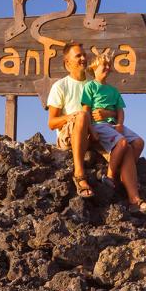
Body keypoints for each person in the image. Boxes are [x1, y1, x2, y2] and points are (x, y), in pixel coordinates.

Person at [81, 51, 146, 214]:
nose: (107, 68)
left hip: (114, 125)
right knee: (122, 143)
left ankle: (124, 174)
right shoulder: (90, 87)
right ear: (94, 67)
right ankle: (110, 176)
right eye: (104, 65)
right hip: (99, 125)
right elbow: (86, 110)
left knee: (138, 142)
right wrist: (90, 129)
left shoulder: (113, 90)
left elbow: (120, 111)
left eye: (109, 66)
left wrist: (120, 124)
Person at [47, 41, 95, 198]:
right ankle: (80, 175)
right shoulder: (60, 86)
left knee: (131, 144)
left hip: (92, 133)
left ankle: (134, 198)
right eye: (78, 56)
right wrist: (72, 116)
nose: (83, 58)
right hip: (68, 136)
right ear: (67, 62)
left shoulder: (93, 85)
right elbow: (52, 123)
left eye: (84, 55)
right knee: (81, 115)